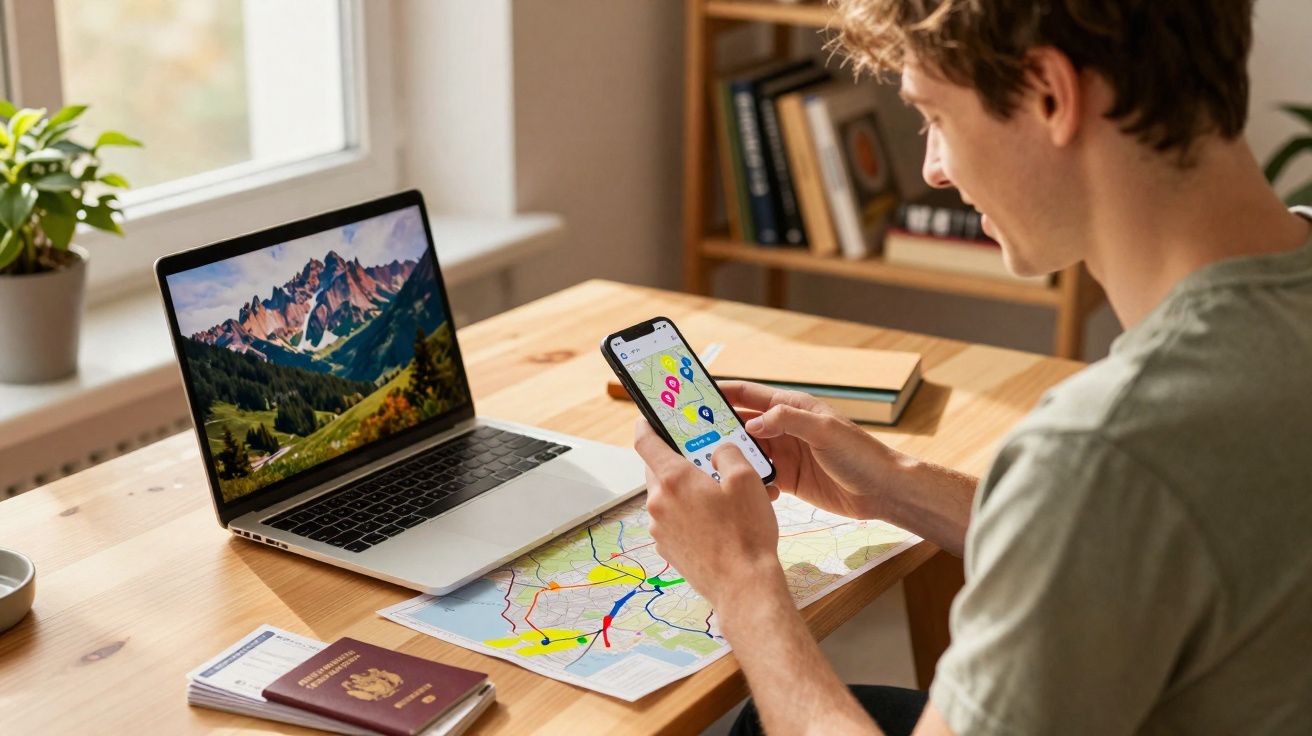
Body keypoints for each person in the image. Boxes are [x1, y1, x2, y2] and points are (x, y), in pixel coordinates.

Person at [632, 0, 1312, 733]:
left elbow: (1111, 493)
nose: (932, 168)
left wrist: (743, 583)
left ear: (1050, 95)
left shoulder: (1107, 449)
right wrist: (897, 487)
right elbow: (1149, 542)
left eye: (935, 117)